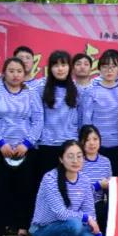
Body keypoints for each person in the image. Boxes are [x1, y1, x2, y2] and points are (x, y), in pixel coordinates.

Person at [0, 57, 44, 236]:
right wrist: (0, 143)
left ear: (24, 74)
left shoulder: (31, 93)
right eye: (11, 70)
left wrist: (27, 143)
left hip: (25, 151)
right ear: (4, 72)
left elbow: (38, 120)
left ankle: (22, 231)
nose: (15, 75)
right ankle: (0, 232)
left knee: (24, 191)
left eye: (19, 71)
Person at [30, 140, 106, 236]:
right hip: (43, 231)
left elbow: (90, 213)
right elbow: (61, 213)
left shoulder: (84, 180)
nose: (75, 160)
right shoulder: (50, 178)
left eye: (79, 156)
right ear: (61, 159)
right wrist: (85, 218)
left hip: (71, 226)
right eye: (70, 156)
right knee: (74, 224)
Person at [79, 49, 118, 177]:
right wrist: (87, 142)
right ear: (99, 69)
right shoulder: (91, 90)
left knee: (114, 182)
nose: (109, 70)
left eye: (113, 67)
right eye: (105, 66)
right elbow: (86, 121)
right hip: (96, 146)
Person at [37, 51, 80, 184]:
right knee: (48, 185)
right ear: (50, 68)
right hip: (47, 145)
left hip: (69, 146)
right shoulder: (41, 87)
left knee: (69, 185)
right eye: (56, 65)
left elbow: (81, 119)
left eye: (63, 65)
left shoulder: (77, 89)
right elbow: (37, 117)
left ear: (69, 67)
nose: (60, 69)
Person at [79, 125, 112, 232]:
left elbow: (110, 187)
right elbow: (78, 192)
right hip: (82, 206)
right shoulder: (78, 162)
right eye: (87, 140)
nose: (92, 143)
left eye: (95, 139)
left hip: (100, 205)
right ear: (81, 142)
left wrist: (109, 185)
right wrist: (98, 186)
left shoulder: (106, 161)